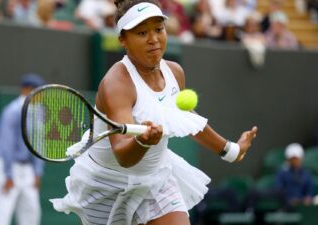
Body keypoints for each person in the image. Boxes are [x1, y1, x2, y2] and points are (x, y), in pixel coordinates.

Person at [50, 1, 258, 224]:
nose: (154, 39)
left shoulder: (175, 72)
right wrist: (143, 143)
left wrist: (231, 150)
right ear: (123, 39)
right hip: (106, 185)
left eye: (159, 29)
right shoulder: (116, 84)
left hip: (155, 179)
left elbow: (186, 119)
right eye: (142, 32)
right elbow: (123, 154)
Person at [0, 73, 46, 225]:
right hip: (6, 166)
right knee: (2, 212)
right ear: (26, 90)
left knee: (31, 214)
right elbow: (6, 144)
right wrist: (8, 174)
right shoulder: (12, 111)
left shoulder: (39, 112)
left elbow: (39, 144)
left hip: (27, 169)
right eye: (37, 90)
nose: (41, 95)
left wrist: (37, 172)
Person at [275, 143, 314, 207]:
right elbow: (279, 189)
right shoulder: (282, 173)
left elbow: (310, 192)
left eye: (297, 158)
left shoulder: (307, 174)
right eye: (293, 159)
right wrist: (289, 199)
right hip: (286, 205)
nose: (296, 161)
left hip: (303, 206)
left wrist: (307, 199)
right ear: (289, 160)